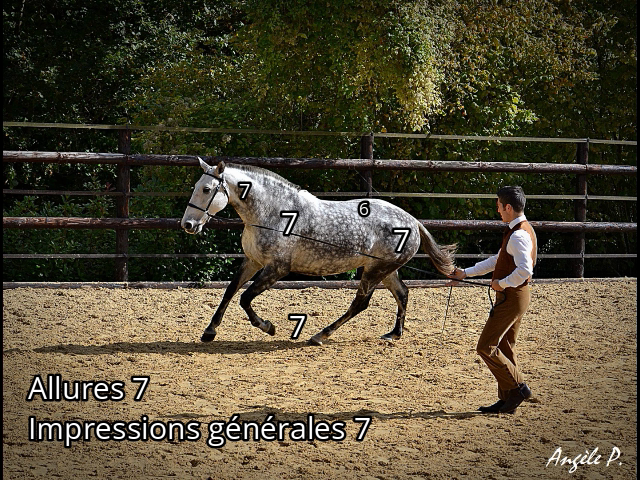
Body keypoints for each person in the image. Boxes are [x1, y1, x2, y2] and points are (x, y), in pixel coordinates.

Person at [448, 186, 537, 414]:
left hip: (511, 297)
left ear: (508, 207)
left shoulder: (518, 235)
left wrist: (502, 283)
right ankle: (507, 399)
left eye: (498, 206)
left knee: (485, 346)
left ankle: (518, 388)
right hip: (515, 296)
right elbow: (498, 260)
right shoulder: (520, 230)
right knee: (504, 346)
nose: (497, 210)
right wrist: (465, 273)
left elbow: (525, 270)